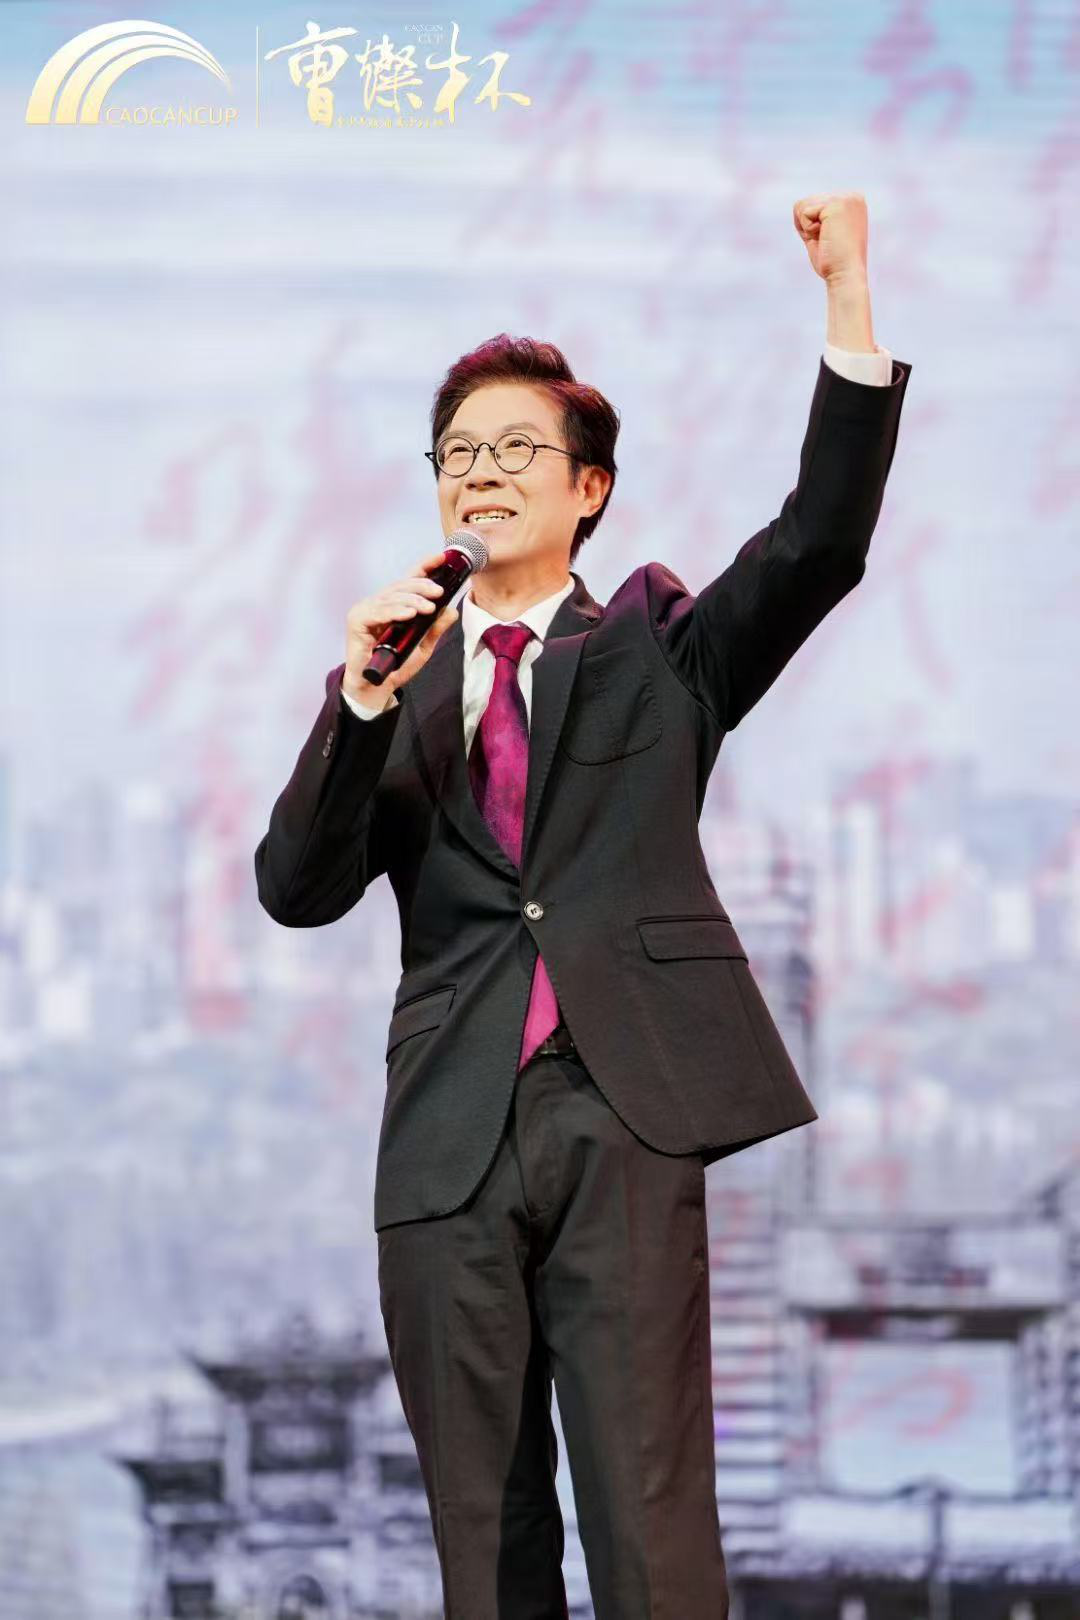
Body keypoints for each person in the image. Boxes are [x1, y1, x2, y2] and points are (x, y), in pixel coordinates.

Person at [254, 192, 912, 1619]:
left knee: (650, 1518)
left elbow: (817, 544)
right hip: (447, 1141)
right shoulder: (395, 685)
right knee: (484, 1544)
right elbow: (296, 889)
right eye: (457, 456)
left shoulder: (658, 651)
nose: (480, 474)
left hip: (620, 1110)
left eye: (514, 451)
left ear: (588, 487)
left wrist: (847, 299)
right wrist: (357, 695)